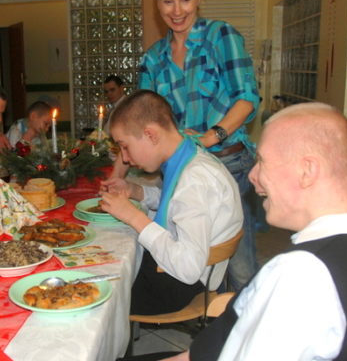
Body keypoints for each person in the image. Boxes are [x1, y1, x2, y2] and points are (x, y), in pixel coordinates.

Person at [75, 103, 347, 361]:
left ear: (308, 170)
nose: (253, 176)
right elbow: (249, 346)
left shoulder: (302, 276)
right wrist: (190, 358)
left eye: (262, 161)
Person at [135, 0, 261, 291]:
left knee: (239, 265)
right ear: (156, 2)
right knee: (190, 257)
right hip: (181, 168)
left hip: (228, 162)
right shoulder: (153, 59)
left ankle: (248, 315)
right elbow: (141, 119)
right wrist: (118, 171)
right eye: (167, 1)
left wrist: (209, 138)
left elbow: (247, 98)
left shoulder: (221, 37)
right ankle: (210, 313)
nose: (177, 11)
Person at [99, 90, 242, 315]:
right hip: (176, 267)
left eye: (124, 146)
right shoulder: (189, 154)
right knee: (108, 257)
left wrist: (134, 217)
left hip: (179, 283)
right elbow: (177, 204)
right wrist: (136, 190)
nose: (124, 158)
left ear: (150, 134)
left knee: (100, 293)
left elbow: (188, 268)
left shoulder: (194, 180)